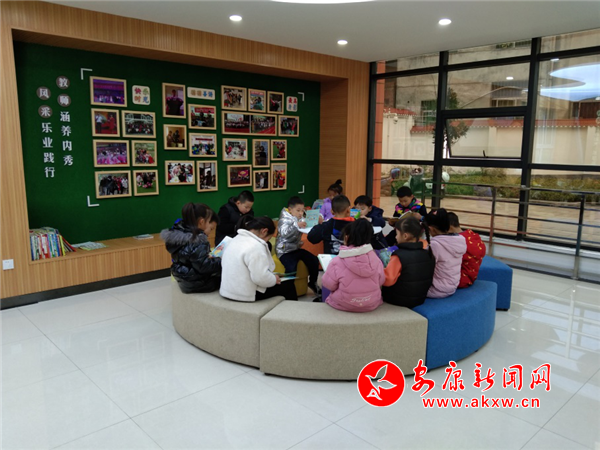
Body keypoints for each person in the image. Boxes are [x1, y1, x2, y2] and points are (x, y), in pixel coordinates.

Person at [220, 216, 297, 301]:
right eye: (269, 238)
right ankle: (293, 309)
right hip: (244, 294)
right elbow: (261, 278)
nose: (267, 241)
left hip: (227, 291)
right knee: (288, 285)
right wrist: (274, 279)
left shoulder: (235, 239)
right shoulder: (256, 246)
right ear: (264, 231)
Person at [321, 219, 385, 312]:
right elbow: (381, 281)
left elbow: (329, 285)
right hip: (371, 302)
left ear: (346, 238)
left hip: (343, 304)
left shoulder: (337, 261)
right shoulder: (376, 260)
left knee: (326, 284)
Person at [161, 203, 221, 294]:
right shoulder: (199, 240)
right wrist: (221, 260)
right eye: (211, 228)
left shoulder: (180, 234)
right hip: (196, 283)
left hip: (183, 279)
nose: (210, 232)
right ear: (201, 222)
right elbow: (204, 267)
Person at [382, 214, 435, 308]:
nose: (395, 237)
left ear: (405, 236)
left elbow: (387, 281)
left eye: (397, 234)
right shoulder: (428, 252)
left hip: (398, 299)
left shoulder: (398, 256)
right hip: (420, 298)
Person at [276, 196, 321, 296]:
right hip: (284, 251)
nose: (301, 213)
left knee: (314, 260)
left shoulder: (300, 217)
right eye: (298, 210)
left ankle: (312, 283)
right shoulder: (284, 219)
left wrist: (316, 221)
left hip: (295, 249)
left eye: (302, 210)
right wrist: (297, 225)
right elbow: (284, 233)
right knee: (291, 268)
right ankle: (288, 291)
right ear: (290, 209)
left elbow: (307, 223)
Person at [423, 209, 467, 298]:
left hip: (436, 289)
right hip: (452, 286)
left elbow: (424, 268)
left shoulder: (435, 245)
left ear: (431, 229)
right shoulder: (460, 239)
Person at [448, 212, 486, 288]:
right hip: (471, 277)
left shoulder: (457, 242)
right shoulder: (472, 236)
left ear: (450, 227)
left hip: (458, 280)